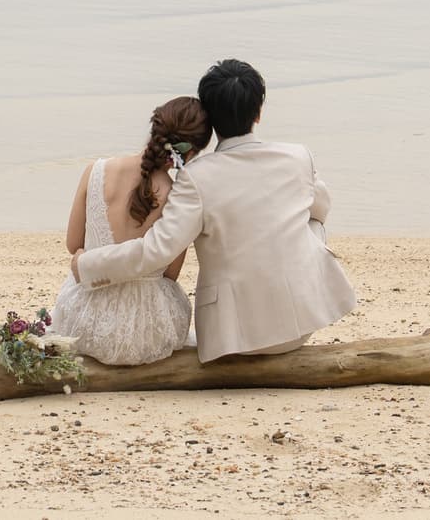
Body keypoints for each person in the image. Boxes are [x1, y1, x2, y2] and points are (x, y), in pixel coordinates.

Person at [70, 58, 357, 361]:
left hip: (233, 337)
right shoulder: (298, 157)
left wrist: (88, 264)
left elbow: (155, 251)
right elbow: (322, 209)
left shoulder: (195, 177)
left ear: (210, 118)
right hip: (301, 325)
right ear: (258, 113)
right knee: (312, 223)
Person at [47, 95, 212, 365]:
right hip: (146, 330)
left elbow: (72, 243)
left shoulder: (95, 170)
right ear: (189, 152)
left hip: (85, 320)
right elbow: (170, 274)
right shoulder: (177, 197)